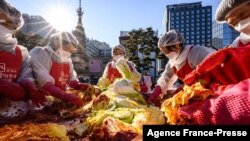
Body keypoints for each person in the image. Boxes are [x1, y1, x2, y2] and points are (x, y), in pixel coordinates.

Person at [179, 0, 250, 124]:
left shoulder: (196, 51)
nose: (241, 24)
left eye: (243, 15)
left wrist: (219, 105)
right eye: (234, 23)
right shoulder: (236, 46)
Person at [0, 0, 48, 121]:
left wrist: (30, 86)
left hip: (10, 114)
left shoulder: (21, 52)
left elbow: (26, 75)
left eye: (5, 22)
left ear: (14, 27)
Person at [147, 29, 216, 106]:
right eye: (164, 52)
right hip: (194, 94)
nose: (166, 54)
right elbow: (166, 78)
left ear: (177, 45)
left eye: (167, 51)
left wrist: (187, 88)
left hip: (212, 91)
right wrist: (156, 93)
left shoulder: (196, 52)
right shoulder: (172, 63)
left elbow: (211, 70)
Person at [30, 31, 96, 106]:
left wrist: (80, 85)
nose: (68, 53)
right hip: (41, 102)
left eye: (71, 51)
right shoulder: (41, 54)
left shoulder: (68, 61)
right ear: (57, 43)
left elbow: (71, 80)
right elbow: (44, 83)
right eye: (67, 49)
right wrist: (65, 96)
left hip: (60, 102)